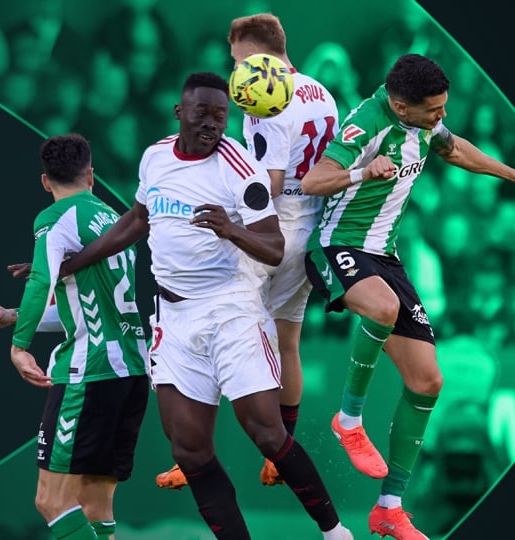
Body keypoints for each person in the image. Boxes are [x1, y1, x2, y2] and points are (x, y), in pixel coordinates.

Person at [59, 72, 353, 540]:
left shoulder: (240, 167)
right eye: (203, 113)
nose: (213, 124)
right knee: (189, 449)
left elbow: (274, 247)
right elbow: (137, 219)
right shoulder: (156, 157)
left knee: (267, 433)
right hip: (173, 316)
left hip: (231, 309)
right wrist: (73, 263)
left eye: (221, 115)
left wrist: (230, 229)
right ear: (180, 112)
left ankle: (336, 533)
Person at [300, 53, 515, 540]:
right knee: (382, 307)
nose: (442, 116)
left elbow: (453, 149)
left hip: (386, 256)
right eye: (434, 110)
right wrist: (361, 172)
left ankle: (389, 509)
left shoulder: (423, 121)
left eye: (443, 107)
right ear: (401, 106)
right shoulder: (366, 124)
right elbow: (314, 181)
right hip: (338, 244)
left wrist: (510, 174)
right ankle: (348, 419)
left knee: (428, 381)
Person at [154, 12, 340, 491]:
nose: (235, 70)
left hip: (271, 227)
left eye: (236, 60)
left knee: (218, 329)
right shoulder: (320, 91)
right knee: (287, 341)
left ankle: (193, 454)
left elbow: (269, 183)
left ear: (254, 54)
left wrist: (230, 212)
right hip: (310, 225)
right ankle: (280, 452)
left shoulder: (263, 97)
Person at [0, 133, 150, 540]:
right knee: (94, 504)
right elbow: (85, 308)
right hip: (131, 372)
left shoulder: (54, 218)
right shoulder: (112, 217)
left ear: (45, 181)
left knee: (51, 502)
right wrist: (15, 317)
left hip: (88, 374)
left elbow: (40, 281)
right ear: (91, 175)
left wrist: (19, 347)